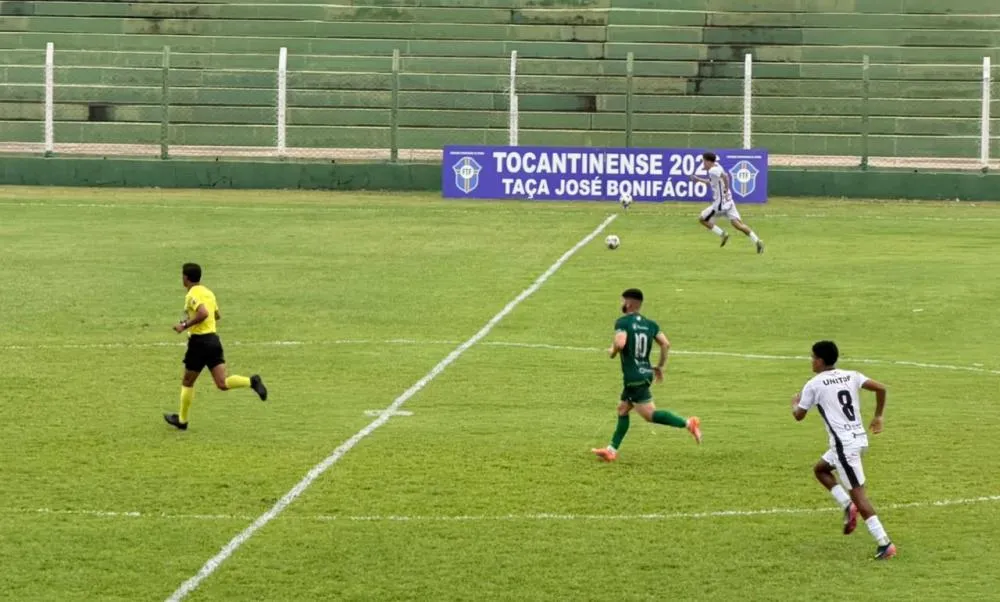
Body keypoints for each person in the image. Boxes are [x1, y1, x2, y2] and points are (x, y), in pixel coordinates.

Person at [792, 340, 896, 560]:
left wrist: (795, 402)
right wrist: (878, 416)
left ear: (819, 360)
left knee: (859, 495)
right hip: (858, 439)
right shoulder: (852, 375)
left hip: (843, 446)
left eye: (812, 357)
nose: (811, 361)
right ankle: (846, 504)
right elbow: (881, 388)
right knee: (820, 469)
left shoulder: (814, 384)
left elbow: (798, 415)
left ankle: (884, 543)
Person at [592, 288, 702, 462]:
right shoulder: (650, 324)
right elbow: (665, 344)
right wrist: (659, 367)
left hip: (633, 378)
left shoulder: (623, 322)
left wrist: (612, 352)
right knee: (622, 409)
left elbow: (620, 343)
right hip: (645, 373)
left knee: (649, 415)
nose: (621, 304)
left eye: (622, 301)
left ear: (628, 303)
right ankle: (611, 450)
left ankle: (688, 423)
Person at [164, 263, 268, 430]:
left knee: (187, 381)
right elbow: (216, 315)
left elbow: (204, 313)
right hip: (213, 341)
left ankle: (182, 421)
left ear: (185, 278)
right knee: (222, 383)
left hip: (199, 343)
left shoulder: (192, 294)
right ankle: (251, 381)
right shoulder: (208, 293)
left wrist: (184, 325)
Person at [692, 152, 765, 254]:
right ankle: (757, 241)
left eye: (703, 161)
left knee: (702, 219)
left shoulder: (713, 170)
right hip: (729, 202)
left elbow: (726, 177)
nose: (703, 164)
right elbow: (713, 181)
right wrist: (698, 179)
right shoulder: (716, 167)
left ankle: (723, 234)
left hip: (719, 205)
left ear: (708, 161)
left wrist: (726, 189)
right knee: (738, 225)